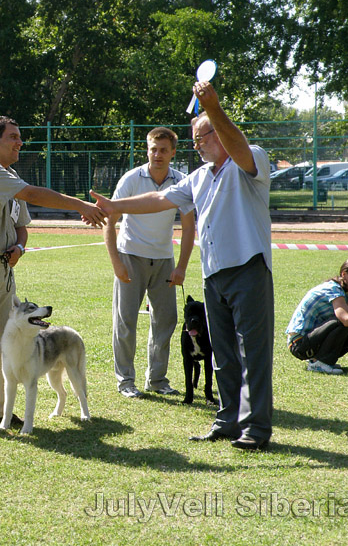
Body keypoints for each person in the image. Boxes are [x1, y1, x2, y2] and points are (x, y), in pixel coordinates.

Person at [92, 80, 274, 450]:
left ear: (220, 133)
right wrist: (115, 207)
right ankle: (227, 419)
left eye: (202, 137)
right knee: (221, 354)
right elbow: (159, 198)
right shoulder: (199, 176)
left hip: (248, 269)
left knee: (251, 352)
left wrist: (215, 109)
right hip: (214, 276)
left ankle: (256, 427)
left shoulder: (250, 159)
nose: (197, 144)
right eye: (193, 138)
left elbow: (236, 144)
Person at [0, 116, 105, 432]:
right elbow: (32, 194)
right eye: (13, 137)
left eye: (20, 137)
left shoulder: (9, 174)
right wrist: (80, 205)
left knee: (3, 342)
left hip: (2, 268)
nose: (20, 142)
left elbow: (22, 226)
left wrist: (19, 247)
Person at [104, 126, 195, 398]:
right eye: (153, 149)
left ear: (173, 153)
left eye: (163, 150)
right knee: (125, 321)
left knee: (166, 320)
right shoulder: (131, 179)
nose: (158, 155)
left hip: (164, 260)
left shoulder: (181, 181)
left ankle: (156, 380)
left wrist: (181, 267)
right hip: (131, 257)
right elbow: (109, 220)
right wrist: (117, 263)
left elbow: (189, 228)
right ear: (147, 150)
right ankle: (125, 382)